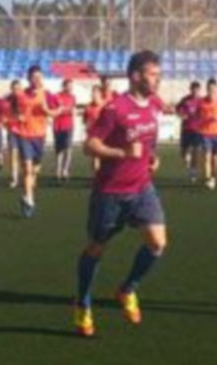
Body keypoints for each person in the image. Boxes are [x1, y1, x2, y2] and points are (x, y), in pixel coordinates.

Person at [73, 50, 167, 337]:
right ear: (135, 75)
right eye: (152, 74)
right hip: (111, 192)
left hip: (141, 187)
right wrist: (121, 152)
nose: (157, 79)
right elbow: (90, 145)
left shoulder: (154, 105)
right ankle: (83, 303)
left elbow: (148, 140)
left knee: (158, 243)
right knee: (96, 248)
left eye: (158, 74)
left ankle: (127, 289)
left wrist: (152, 157)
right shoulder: (115, 109)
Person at [16, 66, 61, 218]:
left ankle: (27, 193)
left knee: (35, 170)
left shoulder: (47, 94)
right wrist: (17, 117)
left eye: (39, 77)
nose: (37, 80)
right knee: (27, 169)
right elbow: (12, 110)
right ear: (28, 78)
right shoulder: (21, 95)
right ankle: (29, 200)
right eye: (34, 77)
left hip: (40, 136)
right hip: (24, 135)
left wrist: (48, 111)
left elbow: (58, 110)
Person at [196, 78, 217, 190]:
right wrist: (199, 123)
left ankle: (214, 177)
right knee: (207, 156)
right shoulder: (201, 101)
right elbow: (196, 115)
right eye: (209, 89)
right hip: (205, 133)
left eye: (213, 89)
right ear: (207, 89)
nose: (211, 91)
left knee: (215, 157)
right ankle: (208, 179)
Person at [175, 81, 203, 183]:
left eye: (197, 90)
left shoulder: (202, 101)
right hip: (186, 129)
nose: (195, 92)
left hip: (198, 129)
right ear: (190, 90)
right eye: (193, 89)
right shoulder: (185, 100)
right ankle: (188, 161)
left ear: (199, 90)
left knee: (196, 150)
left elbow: (206, 112)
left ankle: (194, 171)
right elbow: (178, 109)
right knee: (183, 152)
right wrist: (181, 115)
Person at [54, 78, 77, 184]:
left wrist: (64, 109)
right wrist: (64, 109)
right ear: (64, 86)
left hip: (69, 125)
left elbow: (72, 110)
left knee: (68, 147)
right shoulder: (57, 96)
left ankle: (65, 170)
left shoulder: (73, 97)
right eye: (69, 85)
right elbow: (56, 110)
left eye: (71, 86)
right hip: (58, 126)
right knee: (59, 150)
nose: (70, 88)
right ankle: (58, 171)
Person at [2, 80, 23, 188]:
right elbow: (3, 116)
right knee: (13, 154)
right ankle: (14, 177)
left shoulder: (25, 98)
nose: (16, 91)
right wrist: (7, 123)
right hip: (13, 130)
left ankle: (27, 175)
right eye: (14, 89)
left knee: (25, 156)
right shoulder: (6, 100)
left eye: (18, 88)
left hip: (25, 130)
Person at [82, 84, 104, 173]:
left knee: (104, 157)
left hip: (104, 134)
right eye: (93, 92)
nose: (94, 94)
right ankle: (96, 176)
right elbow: (84, 120)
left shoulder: (105, 105)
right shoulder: (88, 107)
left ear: (100, 94)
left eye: (96, 92)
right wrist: (88, 125)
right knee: (95, 157)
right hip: (93, 135)